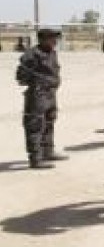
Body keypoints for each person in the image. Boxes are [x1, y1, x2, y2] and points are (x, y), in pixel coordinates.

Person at [16, 28, 69, 169]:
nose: (55, 42)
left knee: (49, 122)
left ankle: (48, 151)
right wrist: (37, 84)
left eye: (56, 39)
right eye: (52, 39)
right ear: (42, 39)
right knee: (35, 125)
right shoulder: (31, 55)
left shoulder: (52, 53)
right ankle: (35, 158)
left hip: (50, 94)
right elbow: (21, 78)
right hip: (37, 95)